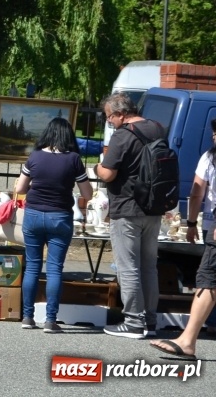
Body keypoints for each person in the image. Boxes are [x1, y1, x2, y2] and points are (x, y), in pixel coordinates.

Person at [96, 92, 166, 338]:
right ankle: (150, 321)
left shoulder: (122, 136)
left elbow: (108, 174)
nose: (109, 122)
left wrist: (97, 166)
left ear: (120, 114)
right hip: (153, 207)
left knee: (128, 267)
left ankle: (134, 322)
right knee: (149, 267)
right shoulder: (157, 129)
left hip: (127, 208)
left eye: (109, 117)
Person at [15, 117, 92, 333]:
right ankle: (50, 320)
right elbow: (87, 194)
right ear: (68, 135)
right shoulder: (74, 159)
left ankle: (27, 317)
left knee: (32, 266)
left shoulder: (35, 157)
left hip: (33, 216)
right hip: (60, 217)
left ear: (48, 133)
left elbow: (21, 188)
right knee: (54, 269)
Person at [182, 118, 216, 334]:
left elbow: (196, 193)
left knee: (209, 276)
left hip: (212, 224)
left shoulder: (210, 157)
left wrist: (191, 222)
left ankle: (210, 323)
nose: (213, 136)